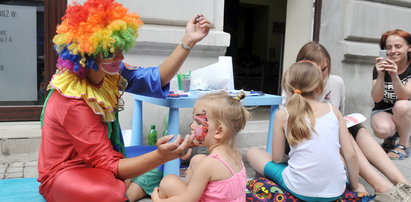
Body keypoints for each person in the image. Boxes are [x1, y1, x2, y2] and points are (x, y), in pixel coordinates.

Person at [37, 0, 211, 201]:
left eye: (120, 48)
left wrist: (188, 40)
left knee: (167, 155)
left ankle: (128, 191)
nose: (119, 56)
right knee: (111, 192)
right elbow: (108, 163)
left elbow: (155, 78)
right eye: (110, 51)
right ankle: (126, 190)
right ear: (88, 53)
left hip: (108, 159)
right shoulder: (72, 100)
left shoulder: (111, 72)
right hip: (67, 172)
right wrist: (159, 157)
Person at [294, 41, 411, 200]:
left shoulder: (336, 82)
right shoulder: (293, 84)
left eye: (324, 69)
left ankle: (403, 184)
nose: (321, 74)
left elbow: (339, 115)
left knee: (356, 128)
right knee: (343, 134)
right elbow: (290, 122)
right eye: (315, 70)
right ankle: (382, 186)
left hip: (334, 136)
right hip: (307, 138)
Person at [248, 61, 366, 202]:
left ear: (287, 87)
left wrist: (294, 159)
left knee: (252, 153)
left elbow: (277, 159)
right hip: (335, 190)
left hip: (299, 189)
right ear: (319, 88)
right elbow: (351, 155)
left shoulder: (283, 114)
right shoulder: (333, 110)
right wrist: (355, 185)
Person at [151, 91, 249, 202]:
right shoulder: (235, 154)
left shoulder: (209, 164)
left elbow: (187, 200)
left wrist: (157, 200)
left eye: (198, 122)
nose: (192, 126)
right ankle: (192, 187)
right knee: (197, 159)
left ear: (219, 131)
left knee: (168, 182)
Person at [371, 29, 411, 160]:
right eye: (388, 47)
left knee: (402, 106)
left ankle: (404, 145)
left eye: (398, 46)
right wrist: (381, 75)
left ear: (409, 48)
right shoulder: (380, 67)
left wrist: (394, 76)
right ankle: (390, 138)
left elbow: (404, 96)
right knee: (382, 129)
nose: (393, 51)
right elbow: (376, 98)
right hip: (385, 109)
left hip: (407, 110)